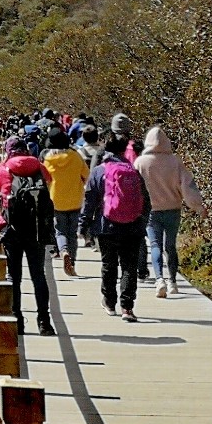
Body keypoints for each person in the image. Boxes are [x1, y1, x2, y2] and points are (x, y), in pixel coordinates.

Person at [0, 137, 56, 335]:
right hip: (35, 228)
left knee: (14, 276)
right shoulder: (39, 166)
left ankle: (17, 320)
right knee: (38, 276)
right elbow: (49, 182)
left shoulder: (5, 168)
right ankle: (44, 322)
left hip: (11, 229)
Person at [82, 134, 150, 322]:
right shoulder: (132, 170)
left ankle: (110, 302)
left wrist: (84, 224)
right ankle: (127, 308)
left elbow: (89, 201)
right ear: (123, 150)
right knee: (129, 267)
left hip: (107, 226)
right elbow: (146, 201)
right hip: (132, 227)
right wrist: (141, 221)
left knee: (109, 265)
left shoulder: (99, 171)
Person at [135, 125, 205, 297]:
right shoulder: (175, 161)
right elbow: (188, 187)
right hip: (173, 208)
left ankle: (160, 280)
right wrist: (198, 206)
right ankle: (173, 281)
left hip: (151, 210)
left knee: (155, 245)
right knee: (171, 246)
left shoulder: (140, 163)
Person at [40, 126, 89, 277]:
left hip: (55, 200)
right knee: (72, 232)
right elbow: (86, 175)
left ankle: (63, 251)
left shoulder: (47, 159)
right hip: (75, 199)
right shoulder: (76, 156)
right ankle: (72, 262)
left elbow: (43, 180)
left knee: (60, 231)